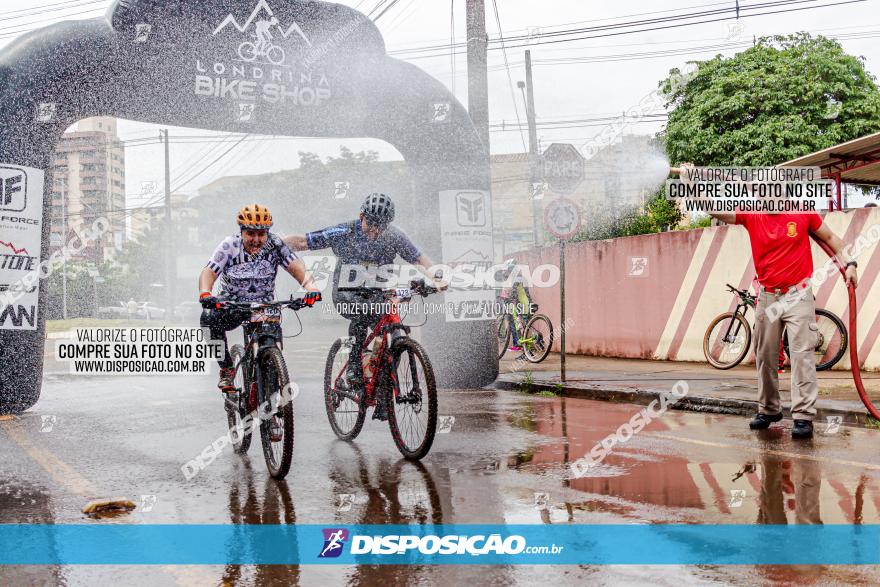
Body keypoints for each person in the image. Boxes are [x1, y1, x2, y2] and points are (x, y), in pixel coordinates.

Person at [284, 193, 445, 420]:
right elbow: (302, 242)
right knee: (361, 315)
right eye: (371, 224)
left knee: (394, 331)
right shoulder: (345, 231)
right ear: (361, 216)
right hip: (346, 293)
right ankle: (353, 368)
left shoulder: (394, 236)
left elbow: (418, 259)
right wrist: (272, 244)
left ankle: (381, 390)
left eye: (381, 227)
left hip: (375, 294)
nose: (375, 232)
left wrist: (436, 276)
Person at [707, 201, 857, 439]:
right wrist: (689, 182)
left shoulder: (802, 213)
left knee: (802, 356)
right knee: (765, 356)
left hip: (798, 294)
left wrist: (850, 264)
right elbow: (715, 210)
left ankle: (803, 416)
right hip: (768, 296)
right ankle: (769, 410)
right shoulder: (751, 214)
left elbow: (831, 238)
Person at [199, 204, 319, 392]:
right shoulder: (229, 245)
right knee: (207, 320)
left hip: (265, 306)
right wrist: (206, 293)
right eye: (250, 234)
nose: (256, 240)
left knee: (270, 340)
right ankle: (227, 369)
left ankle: (272, 375)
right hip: (234, 306)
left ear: (267, 233)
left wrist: (311, 288)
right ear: (242, 232)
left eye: (261, 234)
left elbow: (296, 267)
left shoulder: (275, 244)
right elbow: (209, 271)